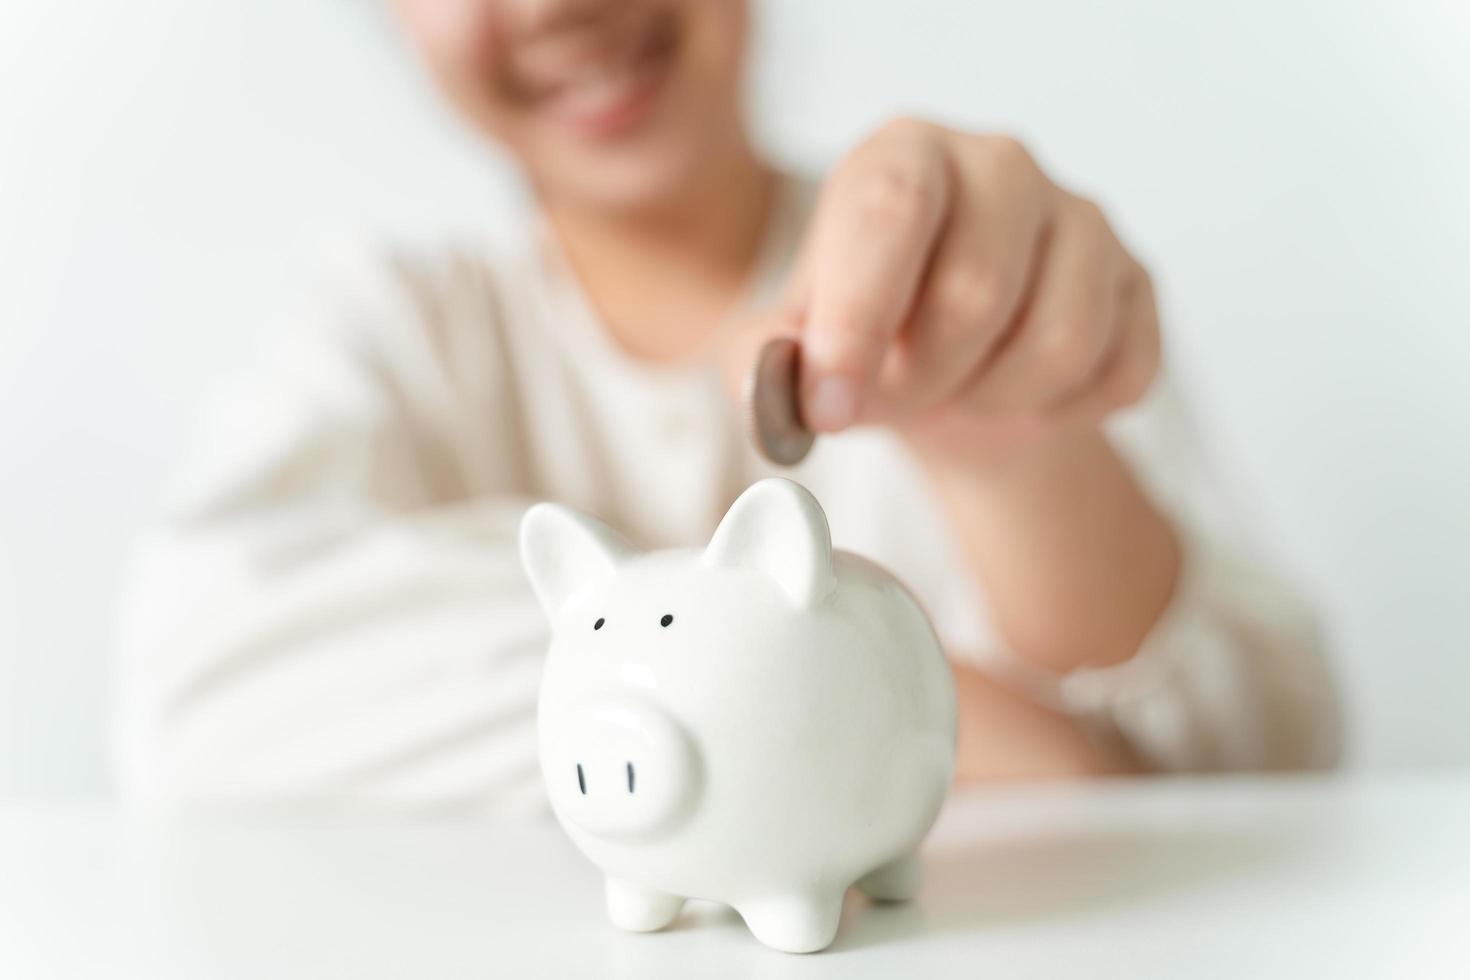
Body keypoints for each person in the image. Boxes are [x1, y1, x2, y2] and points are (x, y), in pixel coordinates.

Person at [112, 0, 1341, 812]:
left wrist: (1017, 458)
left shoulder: (978, 272)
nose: (550, 6)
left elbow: (1271, 789)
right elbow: (197, 682)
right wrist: (889, 712)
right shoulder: (396, 324)